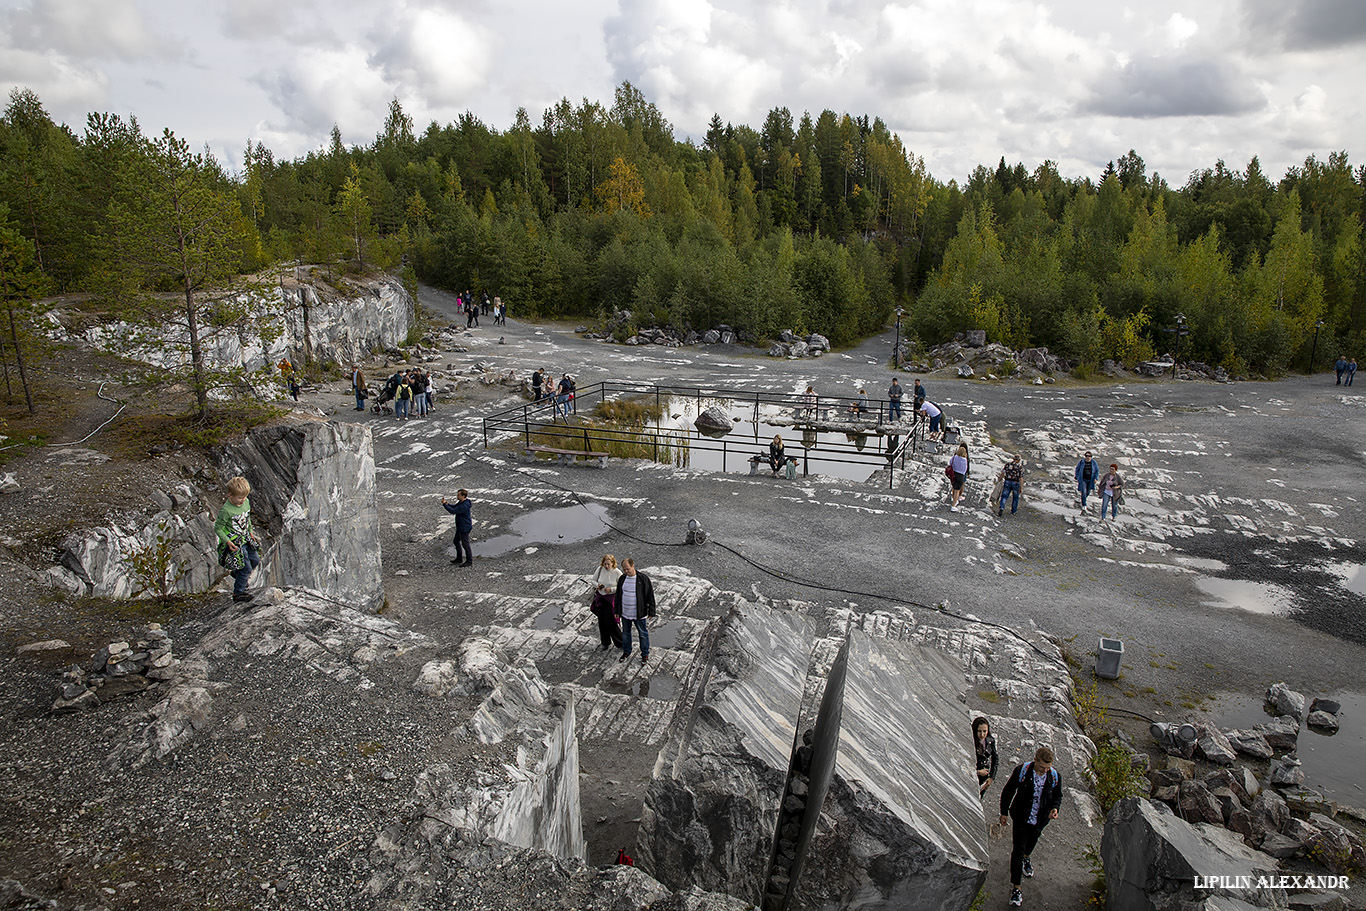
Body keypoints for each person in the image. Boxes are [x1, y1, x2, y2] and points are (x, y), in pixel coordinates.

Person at [999, 746, 1063, 907]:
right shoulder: (1022, 771)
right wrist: (1004, 812)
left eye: (1047, 768)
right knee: (1018, 850)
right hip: (1021, 817)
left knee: (1033, 841)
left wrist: (1055, 808)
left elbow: (1057, 796)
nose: (1044, 771)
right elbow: (1008, 791)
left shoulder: (1054, 776)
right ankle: (1016, 887)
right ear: (1035, 760)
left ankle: (1027, 857)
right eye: (1042, 767)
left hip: (1041, 819)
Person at [215, 476, 262, 603]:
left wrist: (250, 532)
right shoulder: (226, 510)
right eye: (240, 498)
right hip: (235, 542)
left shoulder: (245, 502)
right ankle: (238, 593)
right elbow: (218, 528)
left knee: (255, 560)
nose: (243, 500)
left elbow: (247, 518)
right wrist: (228, 542)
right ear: (230, 495)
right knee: (245, 568)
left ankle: (237, 573)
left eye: (245, 497)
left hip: (245, 538)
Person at [615, 557, 656, 665]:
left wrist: (651, 611)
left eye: (628, 569)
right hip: (625, 613)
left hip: (639, 613)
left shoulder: (643, 579)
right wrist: (617, 610)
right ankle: (627, 651)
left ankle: (644, 654)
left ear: (633, 566)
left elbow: (650, 595)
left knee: (643, 634)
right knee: (625, 634)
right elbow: (618, 595)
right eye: (624, 569)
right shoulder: (622, 579)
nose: (626, 571)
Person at [590, 554, 623, 651]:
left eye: (608, 564)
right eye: (605, 564)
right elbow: (593, 580)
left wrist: (612, 589)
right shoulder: (600, 569)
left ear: (613, 563)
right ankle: (605, 642)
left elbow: (621, 586)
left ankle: (620, 643)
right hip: (601, 599)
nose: (606, 566)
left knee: (611, 622)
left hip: (611, 601)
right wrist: (598, 585)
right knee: (602, 622)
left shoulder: (617, 573)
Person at [442, 490, 473, 566]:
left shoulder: (464, 506)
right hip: (460, 527)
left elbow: (453, 511)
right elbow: (454, 507)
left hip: (464, 527)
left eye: (458, 495)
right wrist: (447, 504)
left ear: (463, 496)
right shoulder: (462, 502)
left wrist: (444, 505)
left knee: (465, 544)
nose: (457, 496)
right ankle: (459, 558)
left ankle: (469, 561)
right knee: (456, 541)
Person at [972, 716, 998, 798]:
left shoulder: (990, 741)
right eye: (979, 731)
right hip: (974, 775)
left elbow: (995, 759)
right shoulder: (972, 742)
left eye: (984, 731)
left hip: (985, 777)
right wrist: (977, 772)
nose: (982, 734)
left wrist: (991, 777)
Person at [947, 442, 970, 512]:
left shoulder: (954, 457)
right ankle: (953, 505)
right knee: (957, 490)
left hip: (953, 474)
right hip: (960, 476)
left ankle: (954, 498)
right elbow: (965, 469)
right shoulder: (965, 460)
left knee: (954, 488)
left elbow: (950, 463)